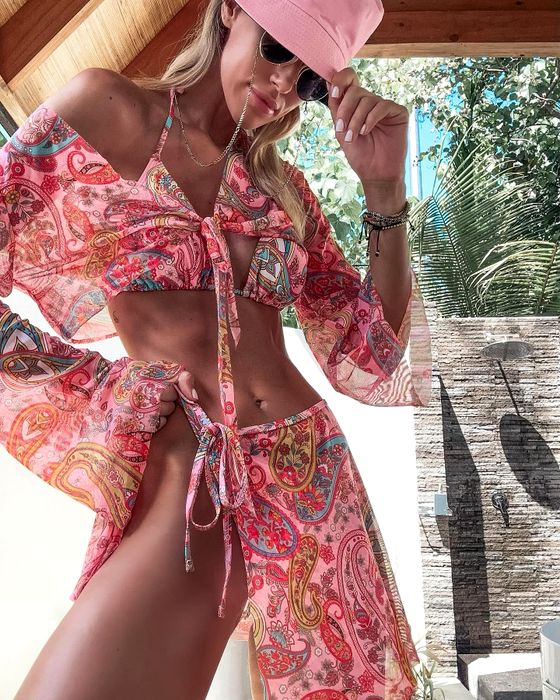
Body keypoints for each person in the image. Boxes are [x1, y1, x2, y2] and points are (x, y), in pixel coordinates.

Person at [0, 0, 431, 697]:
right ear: (230, 9)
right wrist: (105, 389)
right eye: (277, 47)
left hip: (308, 473)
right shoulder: (106, 108)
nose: (285, 83)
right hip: (191, 468)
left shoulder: (286, 192)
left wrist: (383, 190)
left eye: (310, 78)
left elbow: (369, 353)